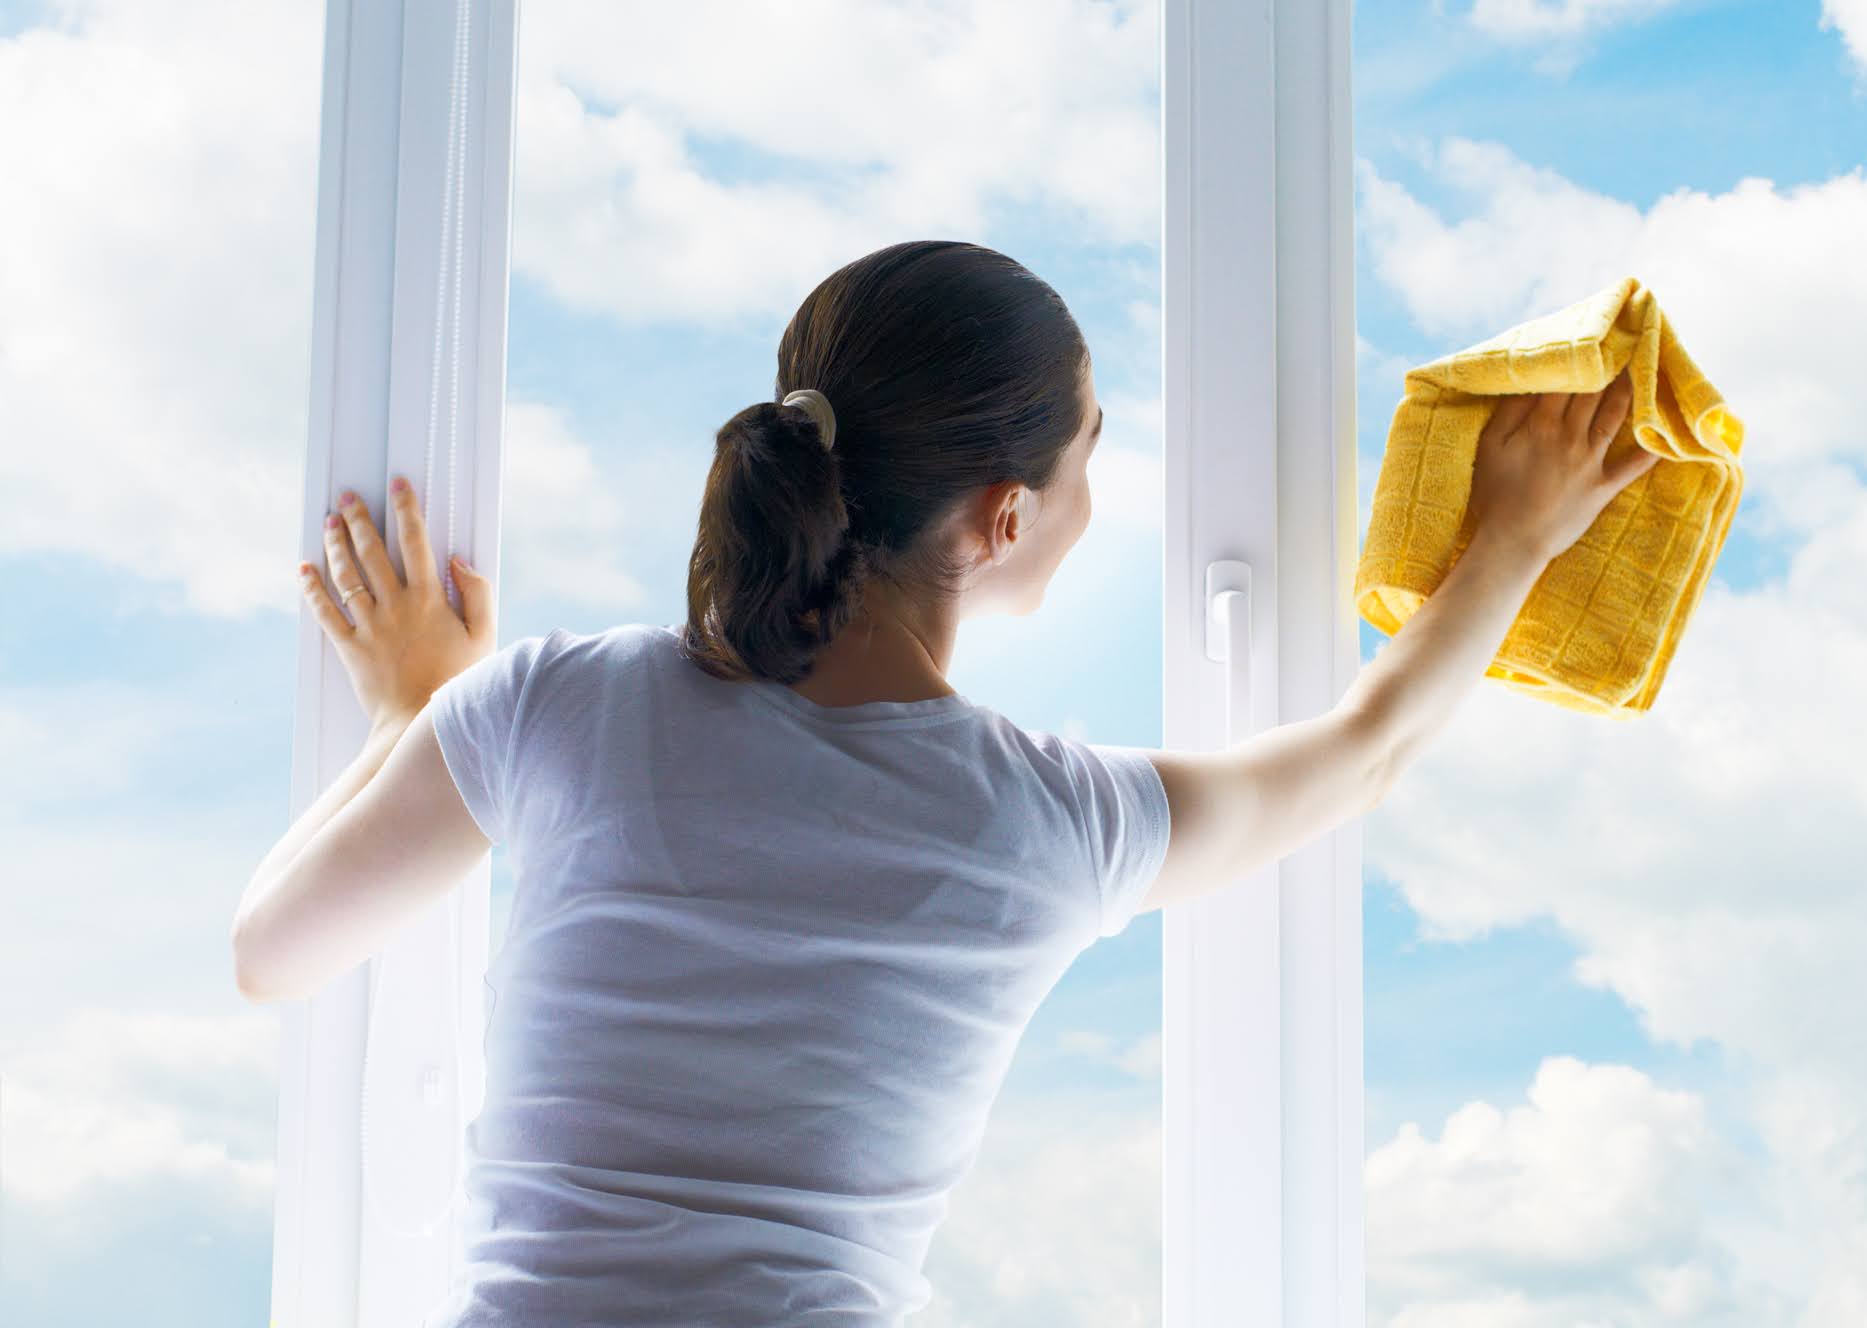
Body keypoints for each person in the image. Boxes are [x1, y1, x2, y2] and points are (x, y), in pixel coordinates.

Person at [243, 238, 1655, 1325]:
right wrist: (1513, 540)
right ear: (1002, 520)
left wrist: (416, 711)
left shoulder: (553, 704)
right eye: (1090, 457)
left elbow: (272, 955)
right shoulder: (1042, 825)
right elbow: (1366, 754)